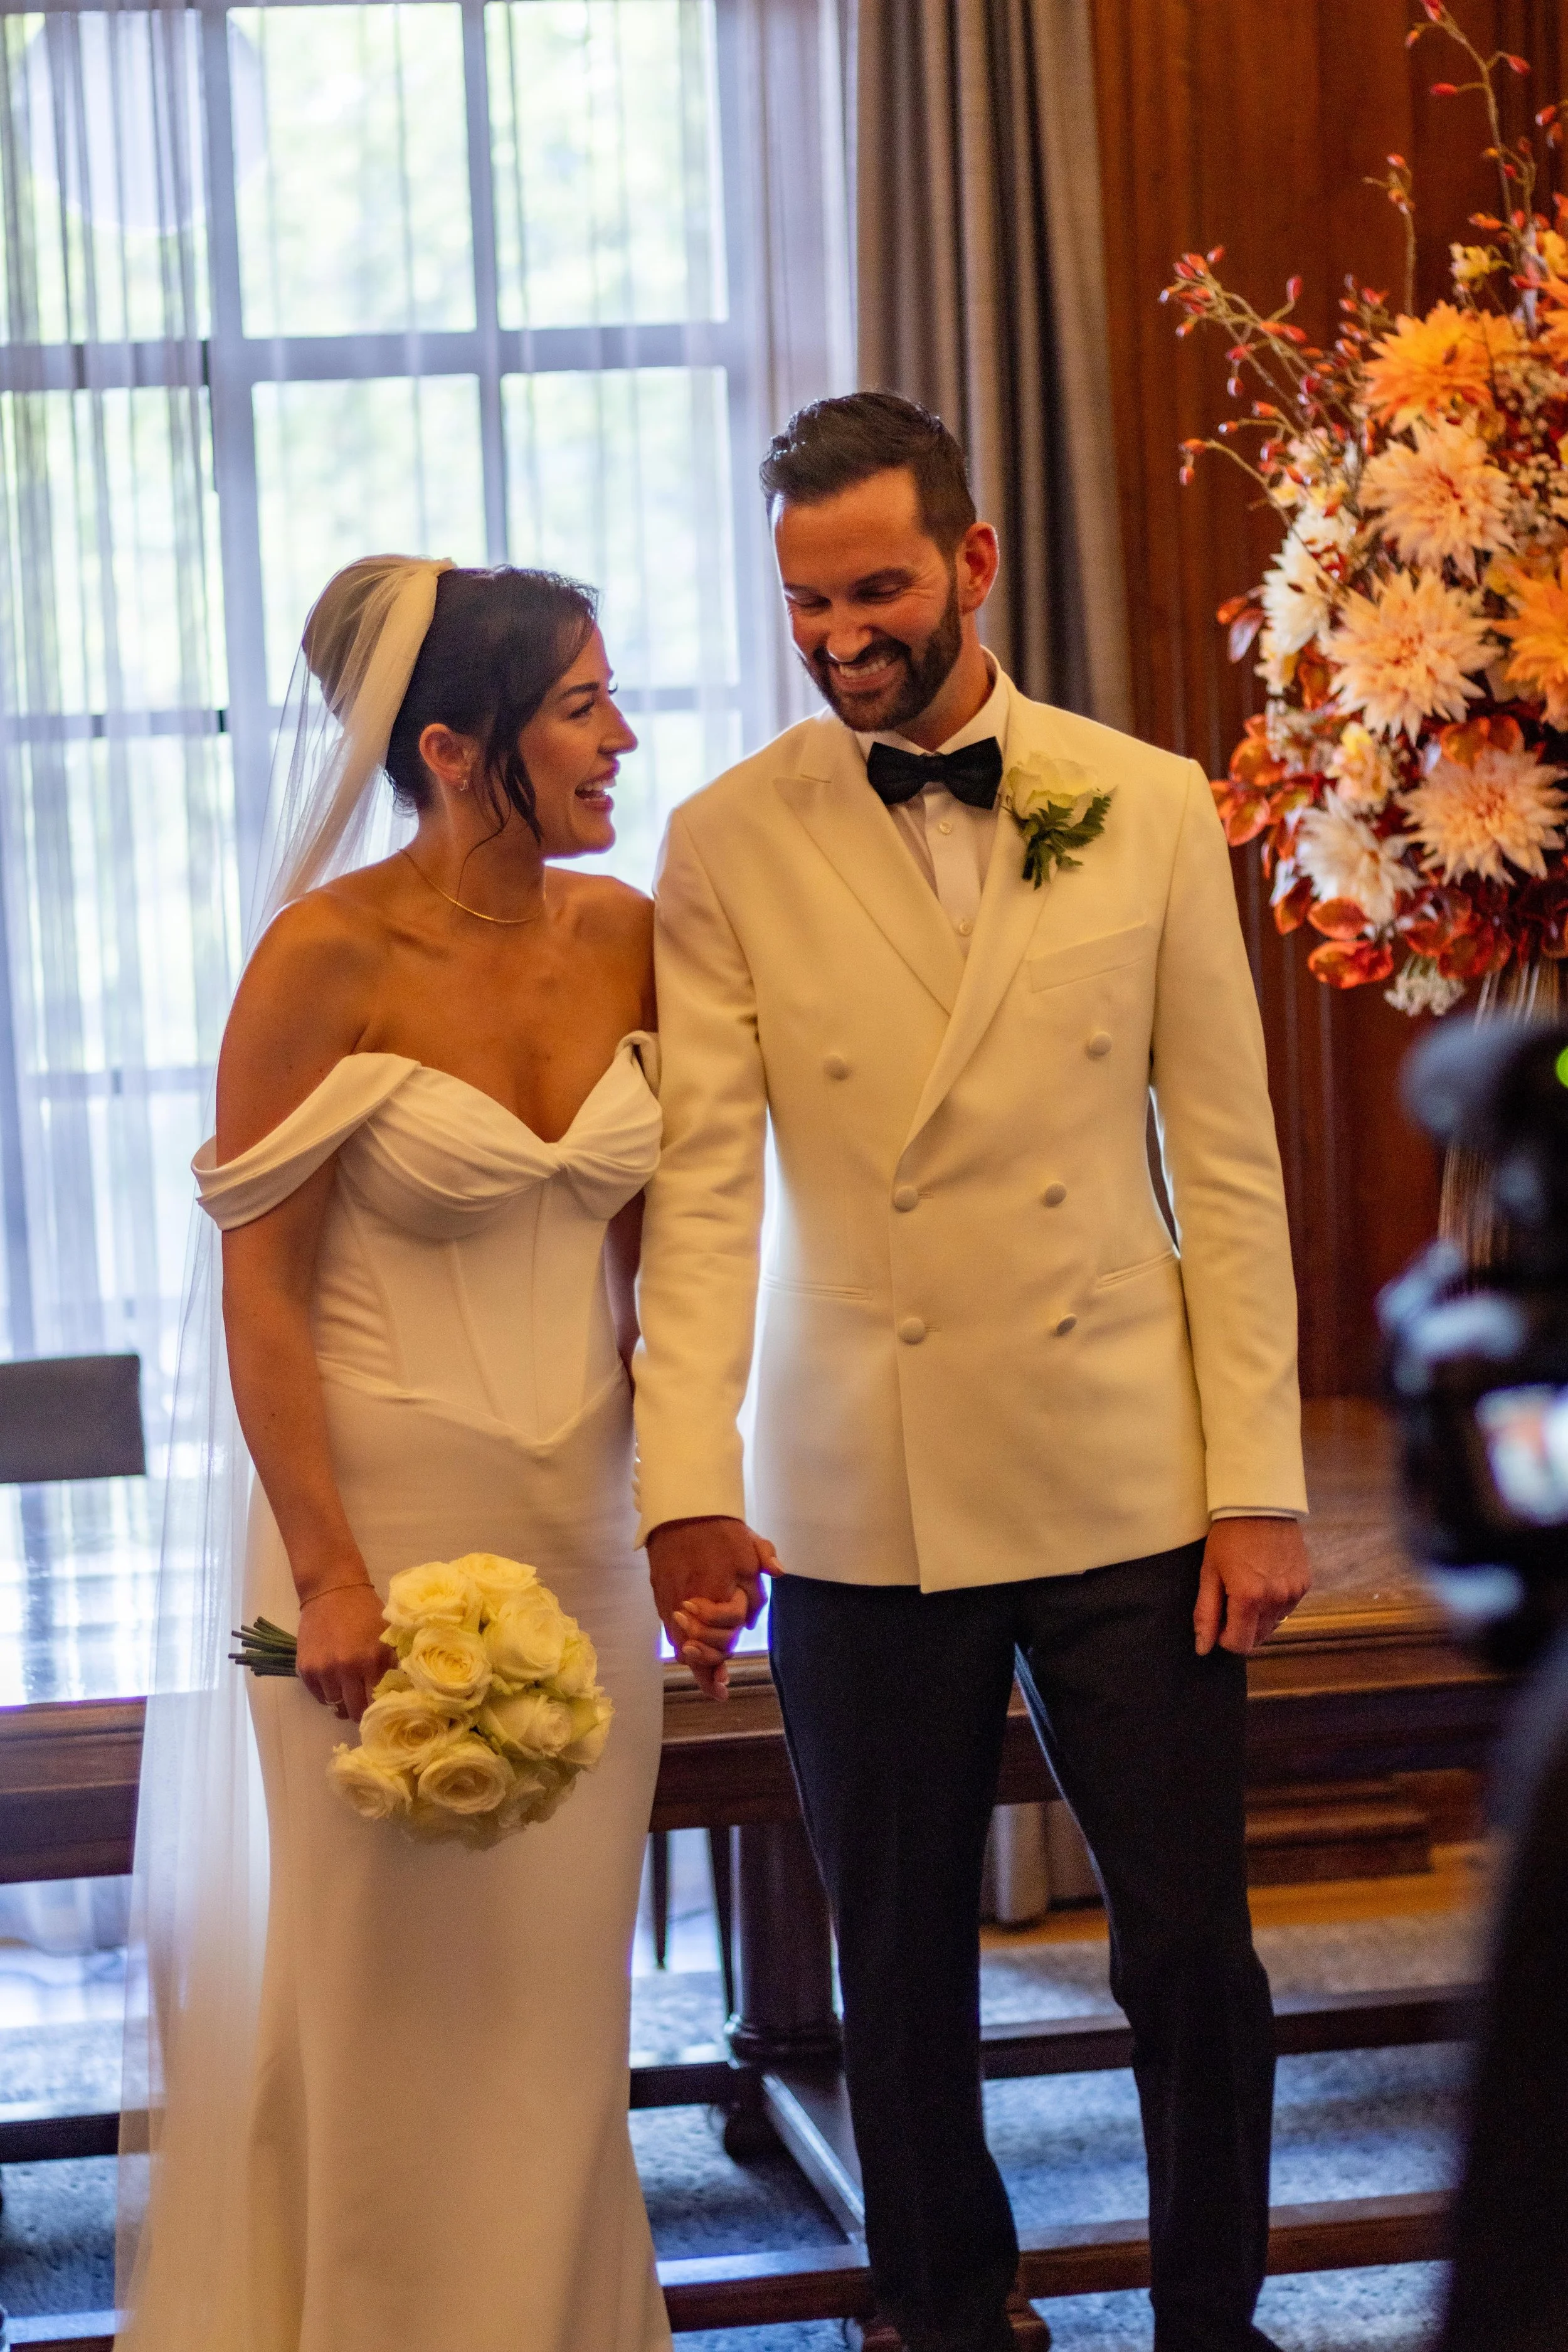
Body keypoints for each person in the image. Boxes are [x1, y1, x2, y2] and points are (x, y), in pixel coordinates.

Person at [635, 393, 1313, 2352]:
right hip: (862, 1476)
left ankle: (1214, 2315)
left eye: (876, 590)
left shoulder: (1151, 797)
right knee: (899, 1953)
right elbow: (699, 1194)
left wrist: (1255, 1476)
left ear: (973, 562)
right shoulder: (722, 838)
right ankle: (942, 2310)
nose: (841, 634)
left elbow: (1235, 1162)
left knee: (1189, 1946)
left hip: (1127, 1461)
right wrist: (687, 1477)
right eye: (804, 601)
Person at [117, 558, 740, 2352]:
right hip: (373, 1535)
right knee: (391, 2007)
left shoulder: (625, 931)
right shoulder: (324, 959)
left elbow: (662, 1260)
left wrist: (686, 1500)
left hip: (583, 1535)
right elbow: (262, 1296)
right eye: (579, 706)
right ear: (458, 748)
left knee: (558, 2007)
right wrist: (323, 1567)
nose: (621, 736)